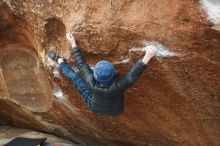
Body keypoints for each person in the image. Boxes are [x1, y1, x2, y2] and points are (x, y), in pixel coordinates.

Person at [48, 32, 157, 116]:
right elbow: (131, 76)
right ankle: (60, 60)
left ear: (95, 75)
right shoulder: (118, 86)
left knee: (75, 78)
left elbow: (81, 64)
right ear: (114, 74)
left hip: (95, 105)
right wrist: (147, 56)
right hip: (115, 110)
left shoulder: (90, 80)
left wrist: (73, 44)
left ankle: (59, 61)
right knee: (119, 89)